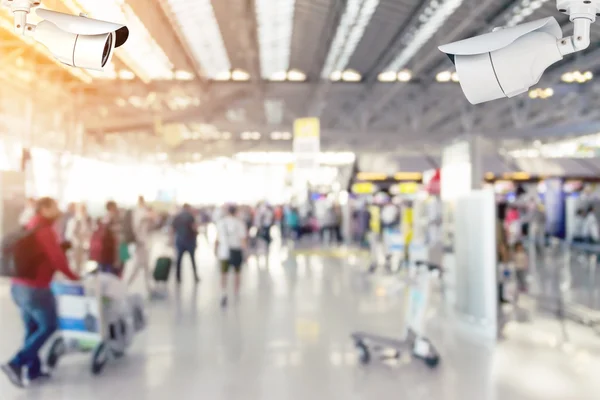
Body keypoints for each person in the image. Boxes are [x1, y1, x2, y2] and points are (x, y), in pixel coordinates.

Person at [2, 197, 80, 388]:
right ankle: (16, 363)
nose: (57, 210)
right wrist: (75, 277)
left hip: (18, 287)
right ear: (44, 209)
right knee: (49, 325)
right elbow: (57, 259)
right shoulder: (45, 230)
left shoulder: (29, 225)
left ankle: (33, 370)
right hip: (36, 288)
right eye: (53, 207)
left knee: (33, 329)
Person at [215, 205, 248, 307]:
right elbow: (243, 240)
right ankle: (236, 292)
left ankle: (223, 292)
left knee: (223, 273)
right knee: (237, 273)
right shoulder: (240, 223)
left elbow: (217, 238)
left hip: (224, 251)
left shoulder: (221, 223)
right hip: (236, 250)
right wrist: (246, 253)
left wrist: (215, 249)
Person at [128, 196, 153, 291]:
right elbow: (137, 226)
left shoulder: (139, 211)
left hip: (142, 241)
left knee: (145, 265)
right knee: (138, 265)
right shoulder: (139, 212)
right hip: (141, 242)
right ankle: (127, 284)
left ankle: (148, 287)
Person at [172, 204, 200, 284]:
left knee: (179, 260)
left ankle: (178, 277)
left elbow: (172, 229)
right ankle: (195, 276)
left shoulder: (177, 216)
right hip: (189, 241)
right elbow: (194, 227)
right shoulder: (191, 216)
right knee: (192, 259)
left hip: (180, 241)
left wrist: (171, 240)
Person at [64, 203, 93, 275]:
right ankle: (74, 275)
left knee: (82, 260)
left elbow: (89, 231)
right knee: (75, 261)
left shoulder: (87, 219)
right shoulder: (74, 220)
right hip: (76, 244)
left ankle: (79, 274)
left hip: (83, 243)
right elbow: (71, 233)